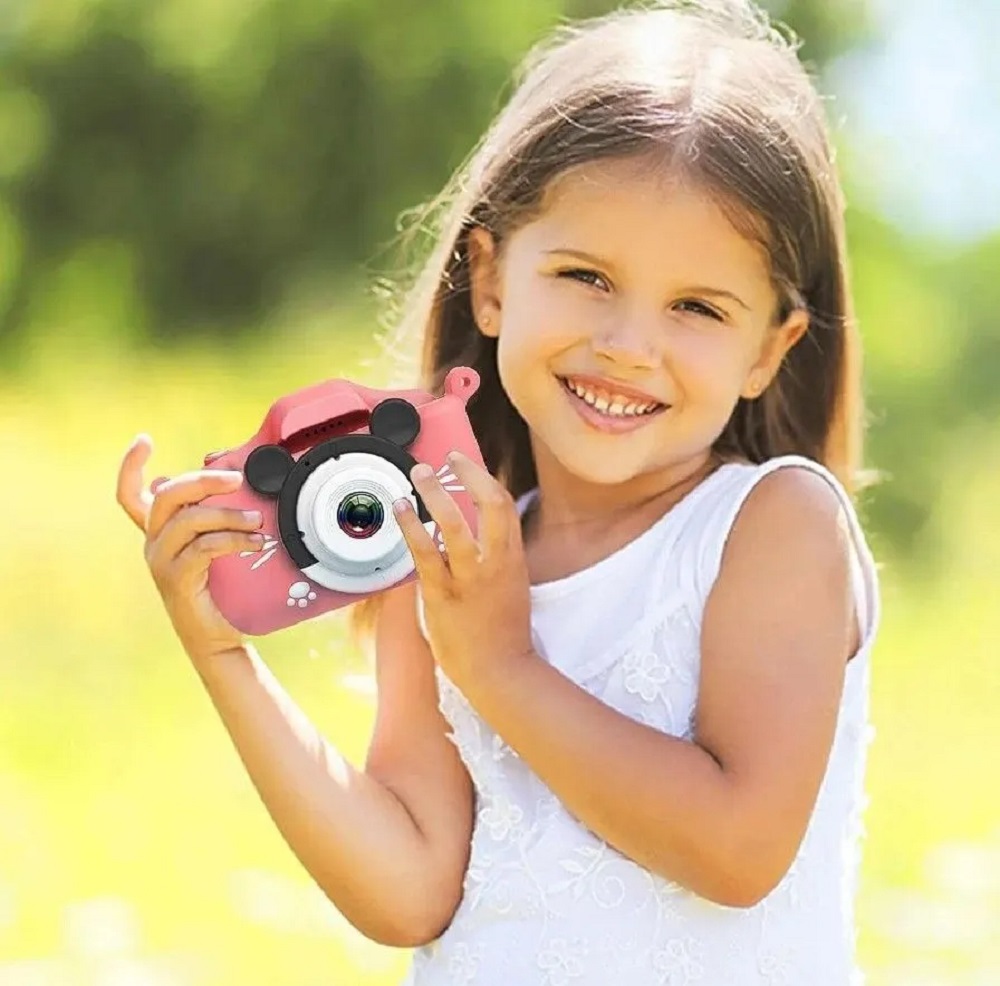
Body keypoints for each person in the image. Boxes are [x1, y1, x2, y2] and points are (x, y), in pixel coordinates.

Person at [116, 1, 881, 982]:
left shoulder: (771, 525)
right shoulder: (441, 542)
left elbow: (737, 850)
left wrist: (502, 666)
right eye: (586, 275)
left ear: (768, 350)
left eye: (696, 305)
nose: (627, 344)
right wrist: (222, 652)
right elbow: (409, 890)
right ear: (490, 280)